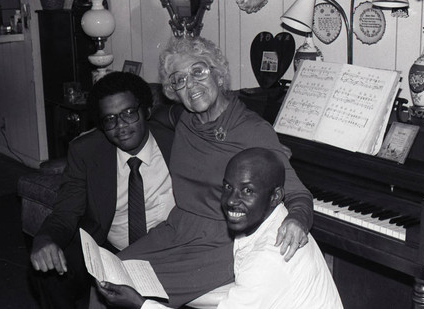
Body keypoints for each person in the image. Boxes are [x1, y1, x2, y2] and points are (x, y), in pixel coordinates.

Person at [115, 36, 314, 308]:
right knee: (108, 273)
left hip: (222, 241)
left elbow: (297, 192)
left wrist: (298, 220)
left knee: (129, 290)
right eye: (179, 80)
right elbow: (157, 116)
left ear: (219, 76)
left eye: (198, 72)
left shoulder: (253, 130)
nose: (191, 85)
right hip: (177, 229)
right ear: (174, 91)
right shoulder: (184, 119)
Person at [95, 148, 342, 309]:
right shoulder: (270, 220)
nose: (232, 201)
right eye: (227, 187)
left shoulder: (270, 258)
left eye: (247, 191)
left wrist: (140, 305)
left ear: (276, 196)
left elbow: (258, 275)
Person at [29, 71, 176, 308]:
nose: (121, 126)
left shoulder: (175, 143)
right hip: (108, 250)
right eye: (110, 119)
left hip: (166, 248)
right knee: (46, 270)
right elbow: (66, 212)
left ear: (146, 110)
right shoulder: (86, 152)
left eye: (129, 113)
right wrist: (44, 239)